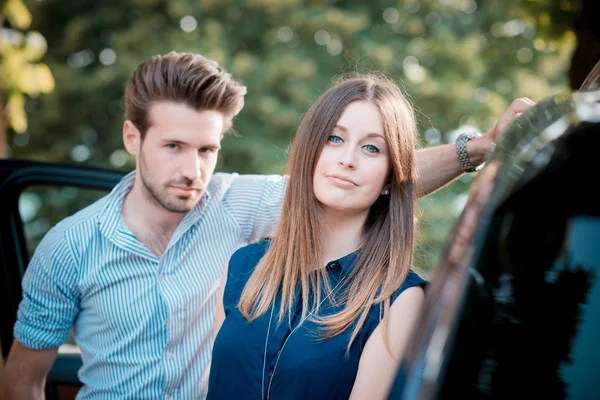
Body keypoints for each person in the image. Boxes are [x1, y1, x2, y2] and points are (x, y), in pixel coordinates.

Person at [2, 51, 534, 400]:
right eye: (173, 147)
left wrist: (476, 149)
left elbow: (358, 183)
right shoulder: (69, 246)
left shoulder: (234, 203)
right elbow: (22, 385)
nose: (192, 170)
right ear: (131, 138)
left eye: (207, 148)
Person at [207, 73, 425, 400]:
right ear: (311, 150)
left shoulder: (399, 300)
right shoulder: (242, 266)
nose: (347, 160)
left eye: (370, 148)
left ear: (389, 178)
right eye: (334, 139)